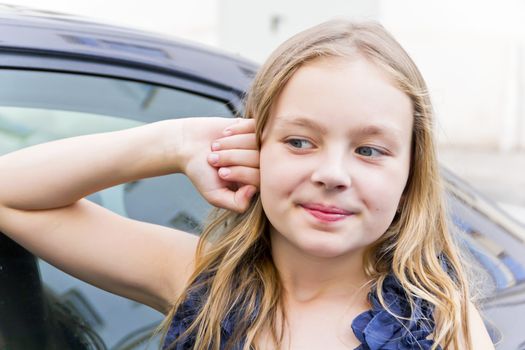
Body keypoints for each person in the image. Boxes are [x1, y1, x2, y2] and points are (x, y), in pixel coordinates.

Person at [0, 19, 495, 350]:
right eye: (300, 142)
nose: (332, 174)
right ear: (254, 147)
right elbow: (10, 193)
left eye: (369, 150)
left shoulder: (445, 326)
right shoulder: (199, 280)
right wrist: (173, 143)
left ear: (411, 173)